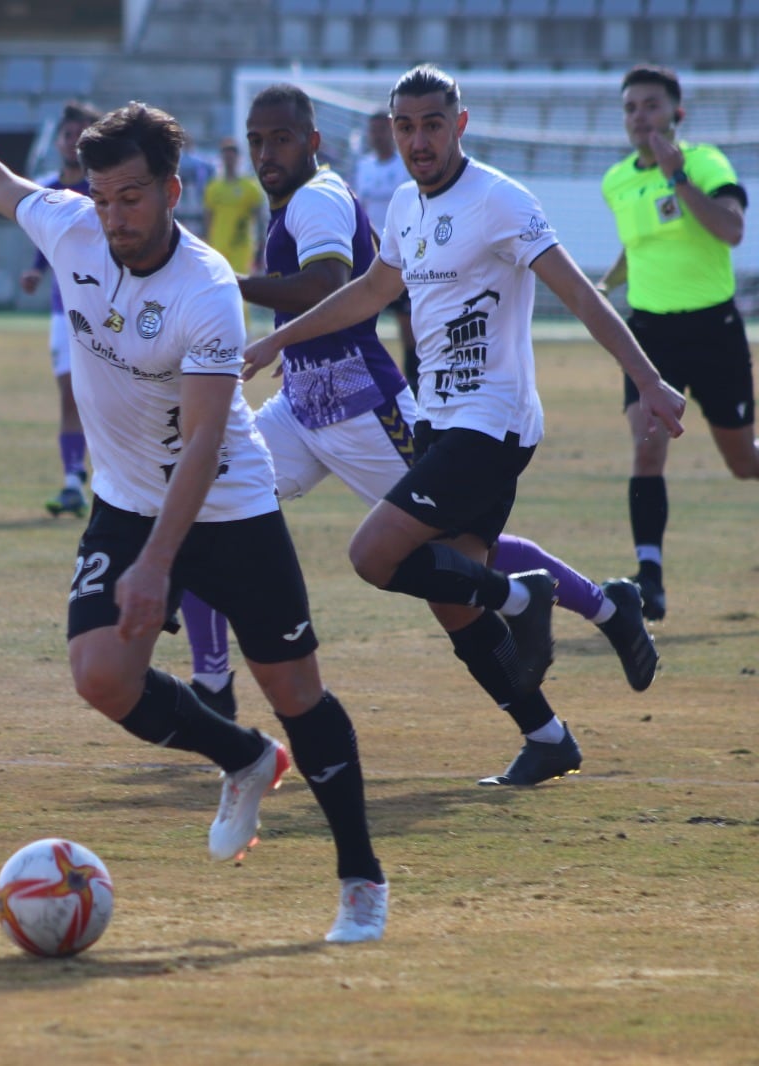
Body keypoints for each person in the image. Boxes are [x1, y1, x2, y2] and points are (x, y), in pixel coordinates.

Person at [0, 80, 390, 943]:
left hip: (228, 506)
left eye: (131, 198)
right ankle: (241, 756)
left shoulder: (206, 290)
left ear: (170, 190)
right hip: (126, 502)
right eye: (101, 198)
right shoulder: (73, 228)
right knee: (100, 676)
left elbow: (203, 444)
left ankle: (360, 880)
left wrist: (159, 565)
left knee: (295, 691)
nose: (114, 217)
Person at [177, 84, 661, 780]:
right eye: (405, 127)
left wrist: (647, 378)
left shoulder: (492, 200)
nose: (418, 141)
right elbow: (370, 290)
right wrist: (271, 344)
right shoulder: (404, 204)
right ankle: (551, 732)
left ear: (459, 124)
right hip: (356, 411)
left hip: (434, 417)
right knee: (448, 586)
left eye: (432, 125)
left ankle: (554, 599)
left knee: (391, 556)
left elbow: (578, 293)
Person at [596, 64, 755, 622]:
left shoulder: (706, 163)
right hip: (650, 335)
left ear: (676, 114)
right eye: (631, 108)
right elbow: (636, 246)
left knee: (742, 462)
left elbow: (732, 231)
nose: (641, 117)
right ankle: (650, 578)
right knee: (647, 447)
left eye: (652, 106)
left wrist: (680, 179)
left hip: (713, 329)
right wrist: (605, 284)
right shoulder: (616, 181)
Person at [20, 100, 101, 519]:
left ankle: (114, 480)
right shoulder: (46, 191)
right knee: (70, 396)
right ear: (58, 141)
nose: (74, 142)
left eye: (82, 135)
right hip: (61, 310)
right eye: (69, 134)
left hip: (105, 312)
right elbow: (45, 241)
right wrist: (35, 271)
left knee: (105, 397)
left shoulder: (104, 191)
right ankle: (72, 480)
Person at [352, 110, 417, 392]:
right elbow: (359, 211)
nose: (377, 135)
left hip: (402, 258)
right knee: (362, 324)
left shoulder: (404, 167)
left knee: (409, 327)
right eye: (373, 130)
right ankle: (368, 385)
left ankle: (414, 384)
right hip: (371, 259)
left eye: (382, 130)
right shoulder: (363, 167)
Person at [202, 137, 265, 277]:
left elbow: (259, 217)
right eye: (226, 152)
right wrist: (207, 242)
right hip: (218, 245)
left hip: (241, 246)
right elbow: (208, 216)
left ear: (238, 157)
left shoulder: (249, 187)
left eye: (232, 152)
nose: (229, 156)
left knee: (240, 284)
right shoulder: (213, 187)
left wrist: (261, 244)